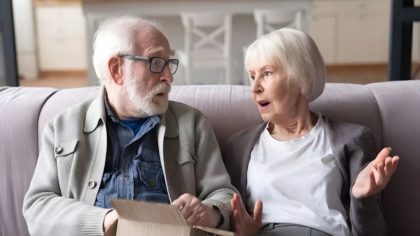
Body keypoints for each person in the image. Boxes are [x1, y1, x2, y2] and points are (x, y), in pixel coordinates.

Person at [22, 16, 236, 235]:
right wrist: (105, 220)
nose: (168, 77)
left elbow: (225, 194)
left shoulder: (192, 124)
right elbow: (38, 207)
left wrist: (210, 212)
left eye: (169, 63)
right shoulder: (63, 127)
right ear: (116, 69)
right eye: (155, 63)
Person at [224, 28, 400, 236]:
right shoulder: (239, 147)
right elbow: (227, 219)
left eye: (267, 74)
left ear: (301, 77)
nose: (255, 88)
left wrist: (362, 198)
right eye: (252, 76)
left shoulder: (352, 140)